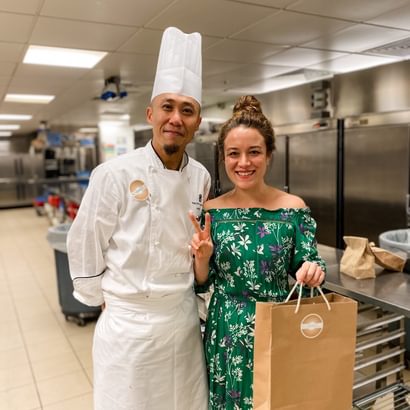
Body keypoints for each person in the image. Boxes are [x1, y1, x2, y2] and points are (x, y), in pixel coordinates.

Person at [67, 27, 210, 410]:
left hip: (182, 325)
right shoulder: (113, 174)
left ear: (197, 122)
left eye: (187, 110)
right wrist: (104, 299)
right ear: (150, 114)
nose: (175, 118)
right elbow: (84, 243)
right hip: (128, 329)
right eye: (167, 107)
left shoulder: (201, 177)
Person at [189, 95, 326, 410]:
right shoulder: (211, 212)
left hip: (277, 327)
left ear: (269, 155)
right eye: (233, 153)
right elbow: (202, 282)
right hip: (226, 334)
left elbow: (309, 263)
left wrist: (312, 270)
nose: (244, 163)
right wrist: (202, 258)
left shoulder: (292, 210)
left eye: (254, 152)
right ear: (223, 157)